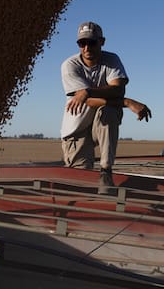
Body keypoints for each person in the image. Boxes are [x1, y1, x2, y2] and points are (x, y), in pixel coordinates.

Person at [60, 21, 152, 187]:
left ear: (102, 42)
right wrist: (127, 102)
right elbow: (88, 102)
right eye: (82, 43)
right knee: (80, 184)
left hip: (100, 125)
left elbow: (117, 89)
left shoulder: (112, 60)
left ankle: (106, 171)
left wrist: (88, 91)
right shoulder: (69, 65)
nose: (87, 48)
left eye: (92, 42)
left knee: (107, 111)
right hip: (76, 129)